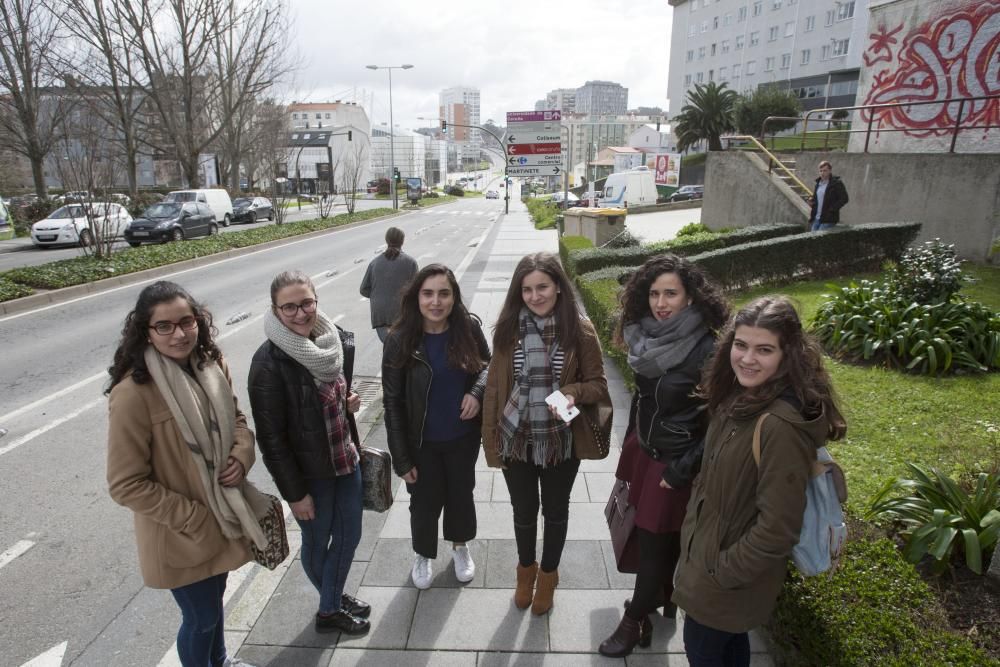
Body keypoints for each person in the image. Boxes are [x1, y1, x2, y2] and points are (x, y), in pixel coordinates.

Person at [673, 296, 847, 667]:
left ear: (788, 354)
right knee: (730, 650)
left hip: (723, 580)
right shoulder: (740, 395)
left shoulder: (779, 426)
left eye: (764, 349)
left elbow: (778, 529)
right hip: (708, 561)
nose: (747, 359)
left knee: (704, 651)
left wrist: (721, 571)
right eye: (741, 345)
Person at [106, 281, 264, 667]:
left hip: (225, 515)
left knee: (215, 605)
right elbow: (125, 484)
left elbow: (238, 421)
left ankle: (221, 661)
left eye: (186, 322)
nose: (179, 334)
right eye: (165, 326)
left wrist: (241, 456)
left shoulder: (211, 366)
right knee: (200, 617)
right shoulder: (132, 395)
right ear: (146, 330)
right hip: (182, 532)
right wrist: (193, 517)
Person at [599, 255, 730, 658]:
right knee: (655, 536)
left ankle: (635, 618)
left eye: (671, 293)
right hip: (648, 451)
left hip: (676, 464)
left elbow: (722, 423)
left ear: (690, 297)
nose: (661, 302)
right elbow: (645, 395)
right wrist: (634, 438)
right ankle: (664, 598)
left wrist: (681, 468)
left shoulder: (709, 348)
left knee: (653, 544)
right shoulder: (646, 335)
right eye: (654, 293)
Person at [482, 251, 612, 616]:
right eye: (527, 289)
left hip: (561, 441)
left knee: (555, 512)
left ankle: (549, 576)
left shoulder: (580, 329)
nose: (535, 296)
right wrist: (491, 441)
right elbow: (495, 387)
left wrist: (573, 392)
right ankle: (526, 572)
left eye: (542, 286)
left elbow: (599, 385)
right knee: (523, 511)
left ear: (558, 286)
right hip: (516, 437)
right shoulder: (507, 330)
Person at [247, 270, 370, 636]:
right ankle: (329, 609)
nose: (301, 314)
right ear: (275, 309)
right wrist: (295, 495)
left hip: (346, 460)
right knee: (318, 541)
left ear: (317, 301)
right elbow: (272, 441)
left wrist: (348, 403)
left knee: (350, 537)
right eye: (289, 307)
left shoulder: (330, 342)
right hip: (311, 476)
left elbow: (332, 397)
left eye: (307, 303)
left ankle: (331, 596)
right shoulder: (268, 363)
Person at [381, 264, 491, 589]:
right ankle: (423, 554)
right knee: (424, 502)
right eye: (428, 293)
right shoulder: (400, 339)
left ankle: (460, 546)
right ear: (416, 297)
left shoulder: (467, 328)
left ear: (454, 296)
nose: (436, 302)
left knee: (461, 494)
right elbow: (392, 403)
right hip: (421, 443)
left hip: (462, 437)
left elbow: (490, 365)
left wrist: (477, 392)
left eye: (444, 293)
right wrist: (401, 459)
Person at [360, 226, 419, 342]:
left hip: (380, 314)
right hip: (402, 314)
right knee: (401, 348)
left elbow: (363, 289)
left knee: (389, 346)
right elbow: (417, 290)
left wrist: (379, 294)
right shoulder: (410, 263)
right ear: (402, 241)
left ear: (386, 240)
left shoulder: (374, 263)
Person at [808, 160, 849, 231]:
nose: (822, 173)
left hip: (828, 219)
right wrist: (811, 200)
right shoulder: (818, 183)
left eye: (825, 171)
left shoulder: (836, 183)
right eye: (820, 171)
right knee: (811, 239)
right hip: (817, 218)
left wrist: (832, 209)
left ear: (830, 171)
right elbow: (816, 198)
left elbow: (844, 198)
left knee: (819, 239)